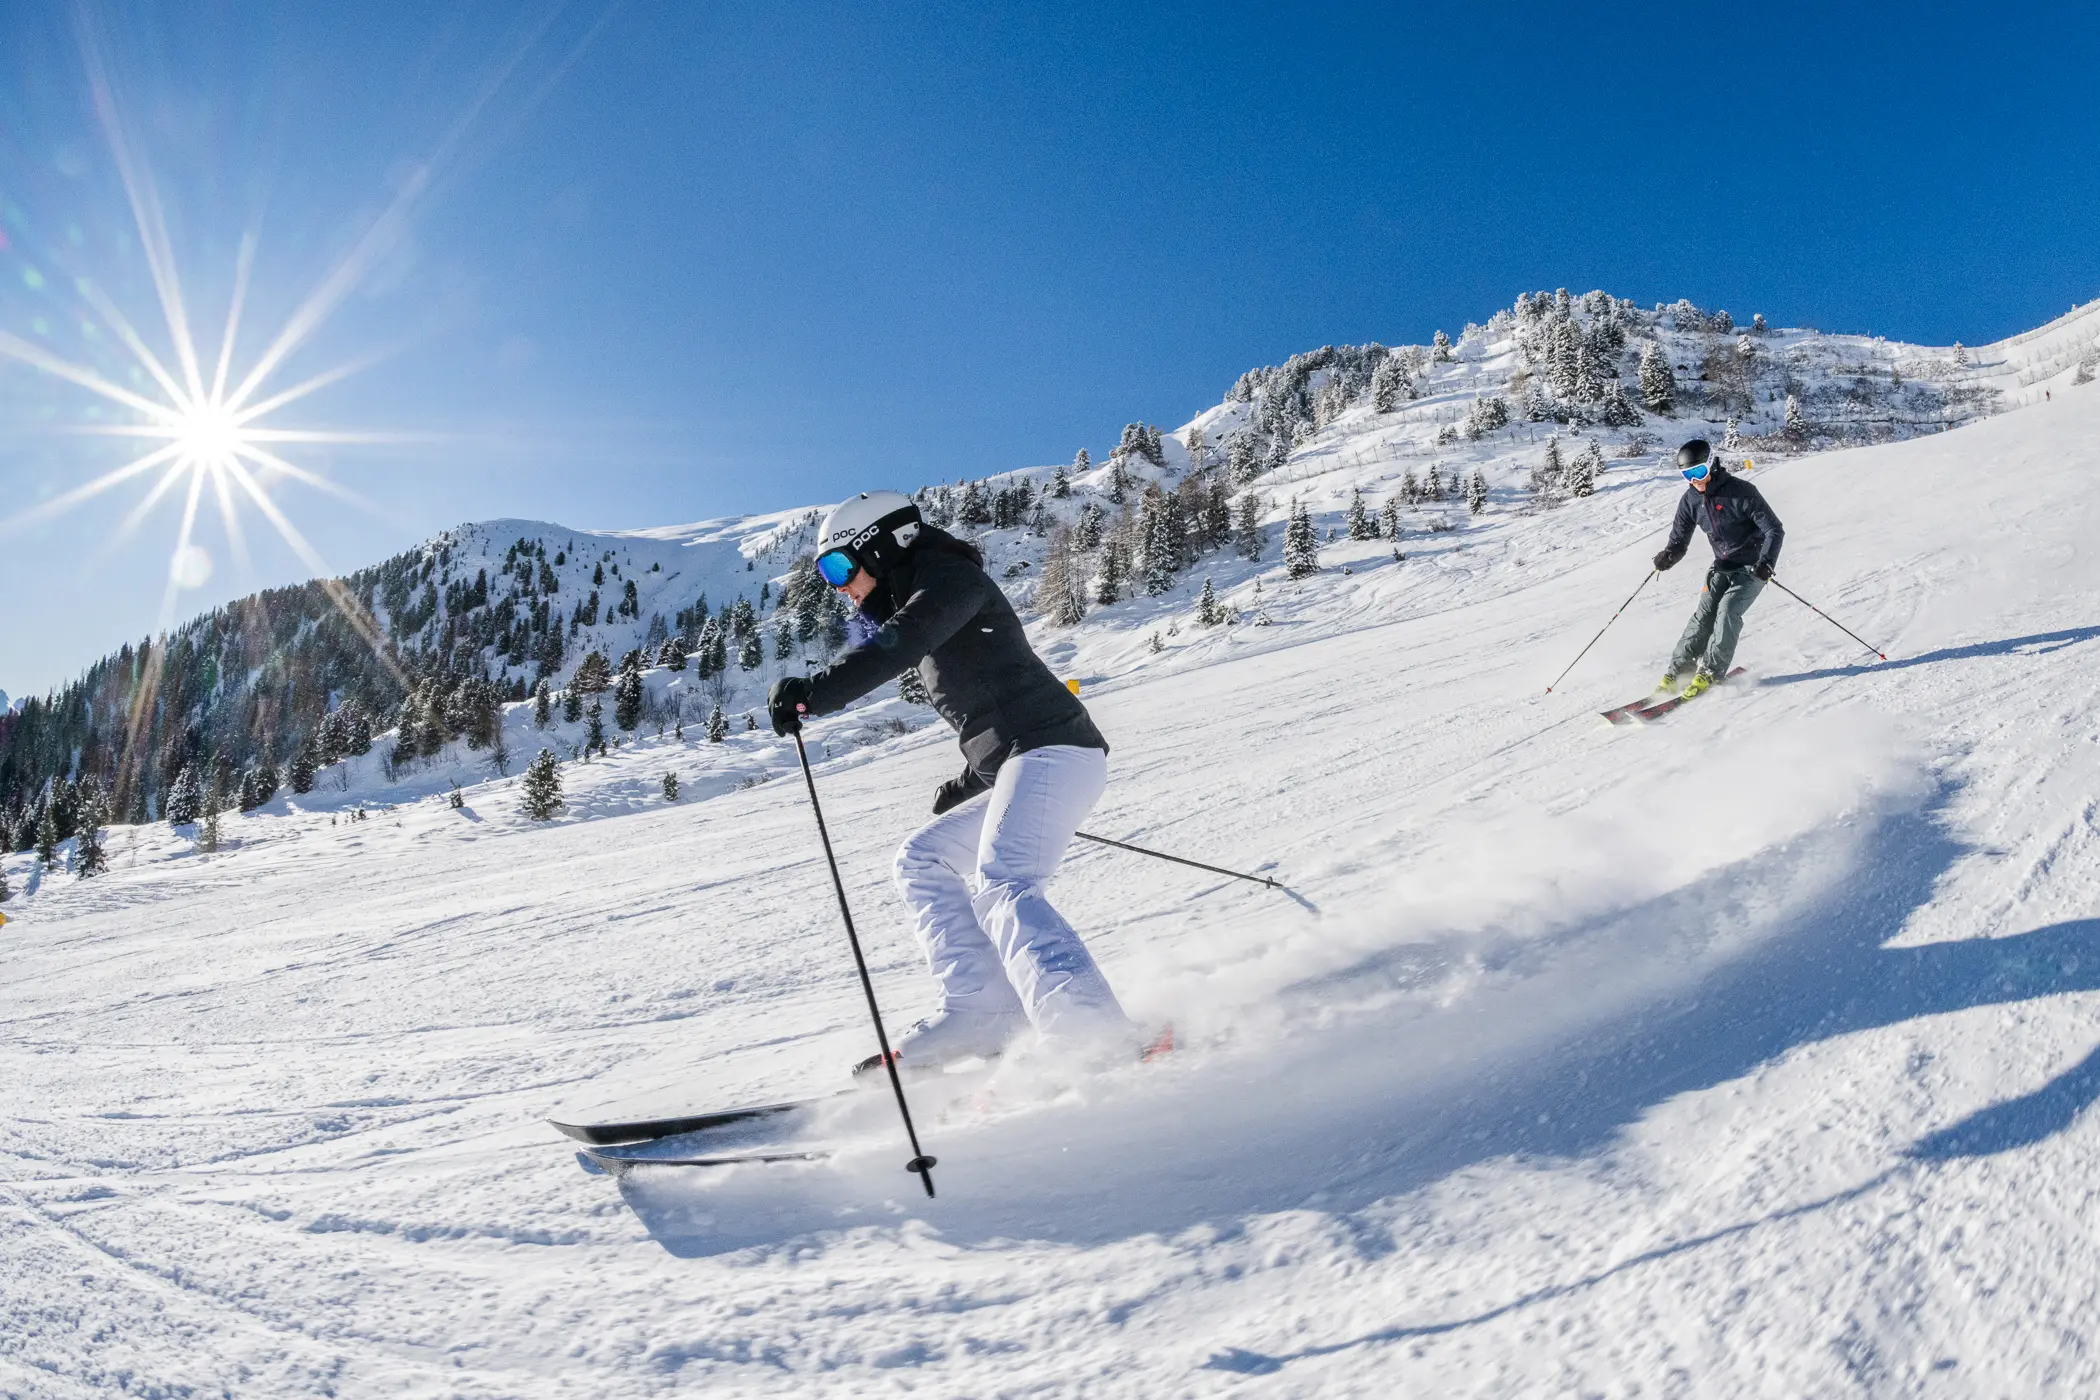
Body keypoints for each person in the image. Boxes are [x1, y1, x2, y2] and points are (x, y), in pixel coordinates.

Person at [768, 491, 1132, 1073]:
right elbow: (990, 704)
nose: (838, 586)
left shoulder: (949, 580)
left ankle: (1096, 1041)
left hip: (1056, 751)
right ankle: (982, 1011)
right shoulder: (929, 594)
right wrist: (968, 782)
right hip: (1025, 756)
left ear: (881, 546)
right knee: (922, 859)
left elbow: (900, 642)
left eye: (839, 566)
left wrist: (816, 691)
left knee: (1006, 884)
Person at [1651, 438, 1785, 698]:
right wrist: (1668, 556)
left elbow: (1774, 529)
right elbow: (1679, 540)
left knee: (1727, 613)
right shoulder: (1690, 500)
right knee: (1703, 618)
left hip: (1752, 568)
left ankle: (1711, 672)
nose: (1694, 480)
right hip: (1721, 567)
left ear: (1711, 465)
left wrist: (1766, 562)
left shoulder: (1741, 492)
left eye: (1698, 472)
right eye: (1687, 475)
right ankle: (1679, 671)